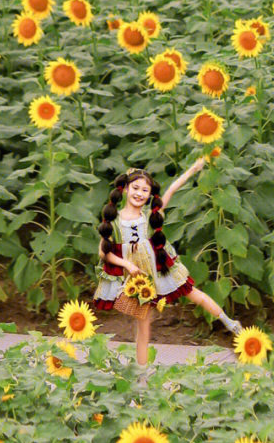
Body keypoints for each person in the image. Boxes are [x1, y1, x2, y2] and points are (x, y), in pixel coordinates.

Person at [96, 156, 241, 365]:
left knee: (192, 293)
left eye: (144, 190)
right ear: (126, 189)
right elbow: (103, 252)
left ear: (149, 195)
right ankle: (142, 373)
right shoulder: (115, 221)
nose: (139, 193)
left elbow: (172, 189)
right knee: (143, 327)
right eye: (135, 188)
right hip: (138, 279)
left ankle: (230, 323)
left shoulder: (149, 215)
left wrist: (193, 169)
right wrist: (126, 264)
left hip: (159, 265)